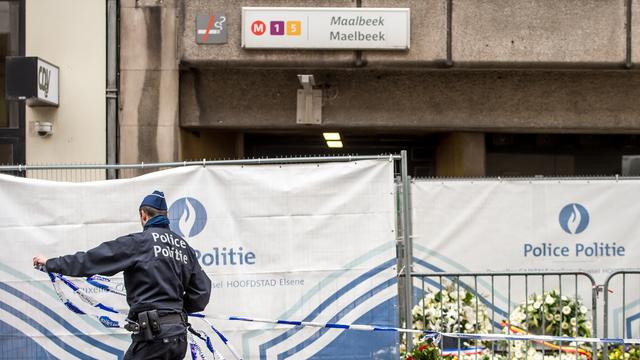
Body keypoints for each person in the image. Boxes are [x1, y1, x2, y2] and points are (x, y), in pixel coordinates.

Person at [33, 190, 212, 360]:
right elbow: (202, 293)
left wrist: (51, 264)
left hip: (153, 337)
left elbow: (92, 260)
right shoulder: (184, 247)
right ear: (165, 216)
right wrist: (173, 314)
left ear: (143, 215)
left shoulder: (139, 242)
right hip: (178, 337)